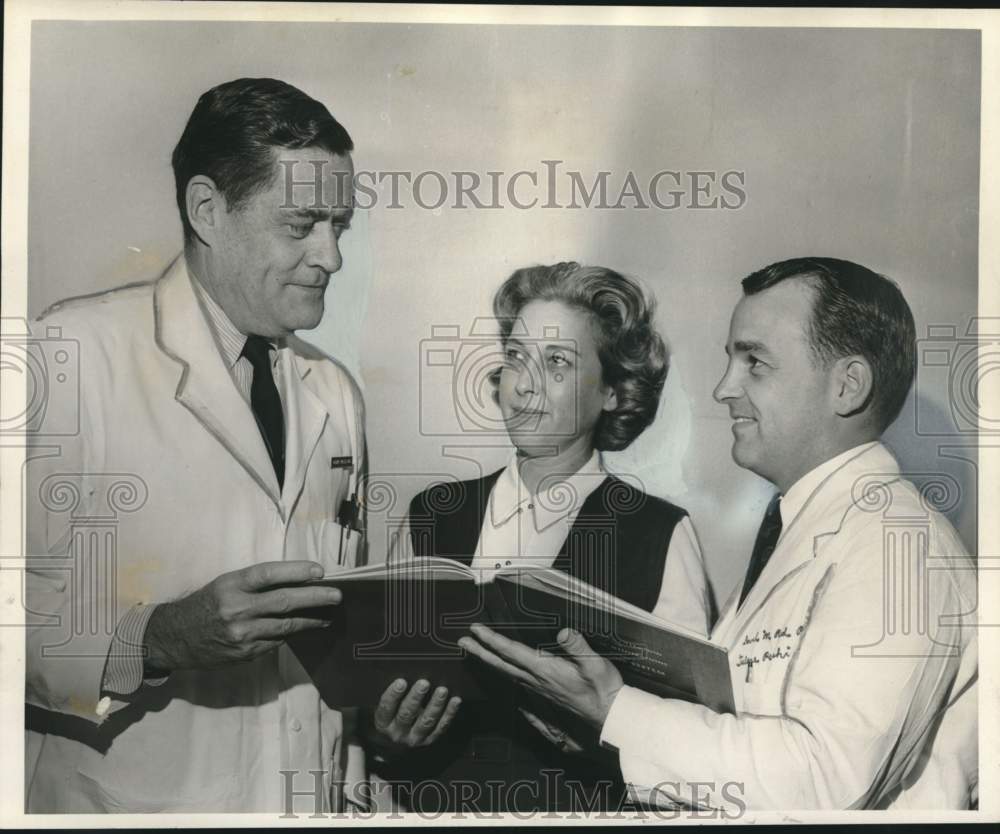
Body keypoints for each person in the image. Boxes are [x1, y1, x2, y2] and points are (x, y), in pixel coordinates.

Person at [24, 77, 454, 814]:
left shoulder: (334, 393)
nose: (332, 257)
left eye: (339, 226)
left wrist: (378, 723)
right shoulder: (69, 354)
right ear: (207, 210)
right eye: (302, 224)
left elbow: (335, 638)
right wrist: (154, 640)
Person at [460, 257, 978, 810]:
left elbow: (824, 782)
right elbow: (732, 742)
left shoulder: (902, 546)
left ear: (847, 386)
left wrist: (615, 710)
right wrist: (596, 723)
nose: (723, 389)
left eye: (754, 362)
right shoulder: (801, 533)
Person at [371, 262, 714, 813]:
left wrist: (603, 741)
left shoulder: (660, 534)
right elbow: (375, 684)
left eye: (556, 362)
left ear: (611, 390)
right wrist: (388, 737)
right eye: (515, 357)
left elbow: (694, 747)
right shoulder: (431, 515)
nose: (525, 383)